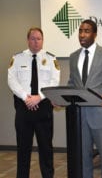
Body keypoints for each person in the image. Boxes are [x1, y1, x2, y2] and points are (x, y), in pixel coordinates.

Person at [67, 19, 102, 178]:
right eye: (80, 31)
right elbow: (72, 83)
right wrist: (62, 97)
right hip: (79, 117)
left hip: (101, 115)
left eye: (87, 31)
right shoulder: (73, 57)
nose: (82, 34)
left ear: (95, 34)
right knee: (83, 157)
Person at [7, 27, 60, 178]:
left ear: (43, 40)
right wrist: (26, 97)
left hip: (43, 108)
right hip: (24, 109)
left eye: (39, 39)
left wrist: (39, 97)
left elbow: (54, 81)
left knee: (46, 149)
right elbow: (11, 80)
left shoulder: (51, 59)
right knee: (23, 149)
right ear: (27, 40)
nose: (36, 42)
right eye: (33, 38)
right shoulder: (17, 58)